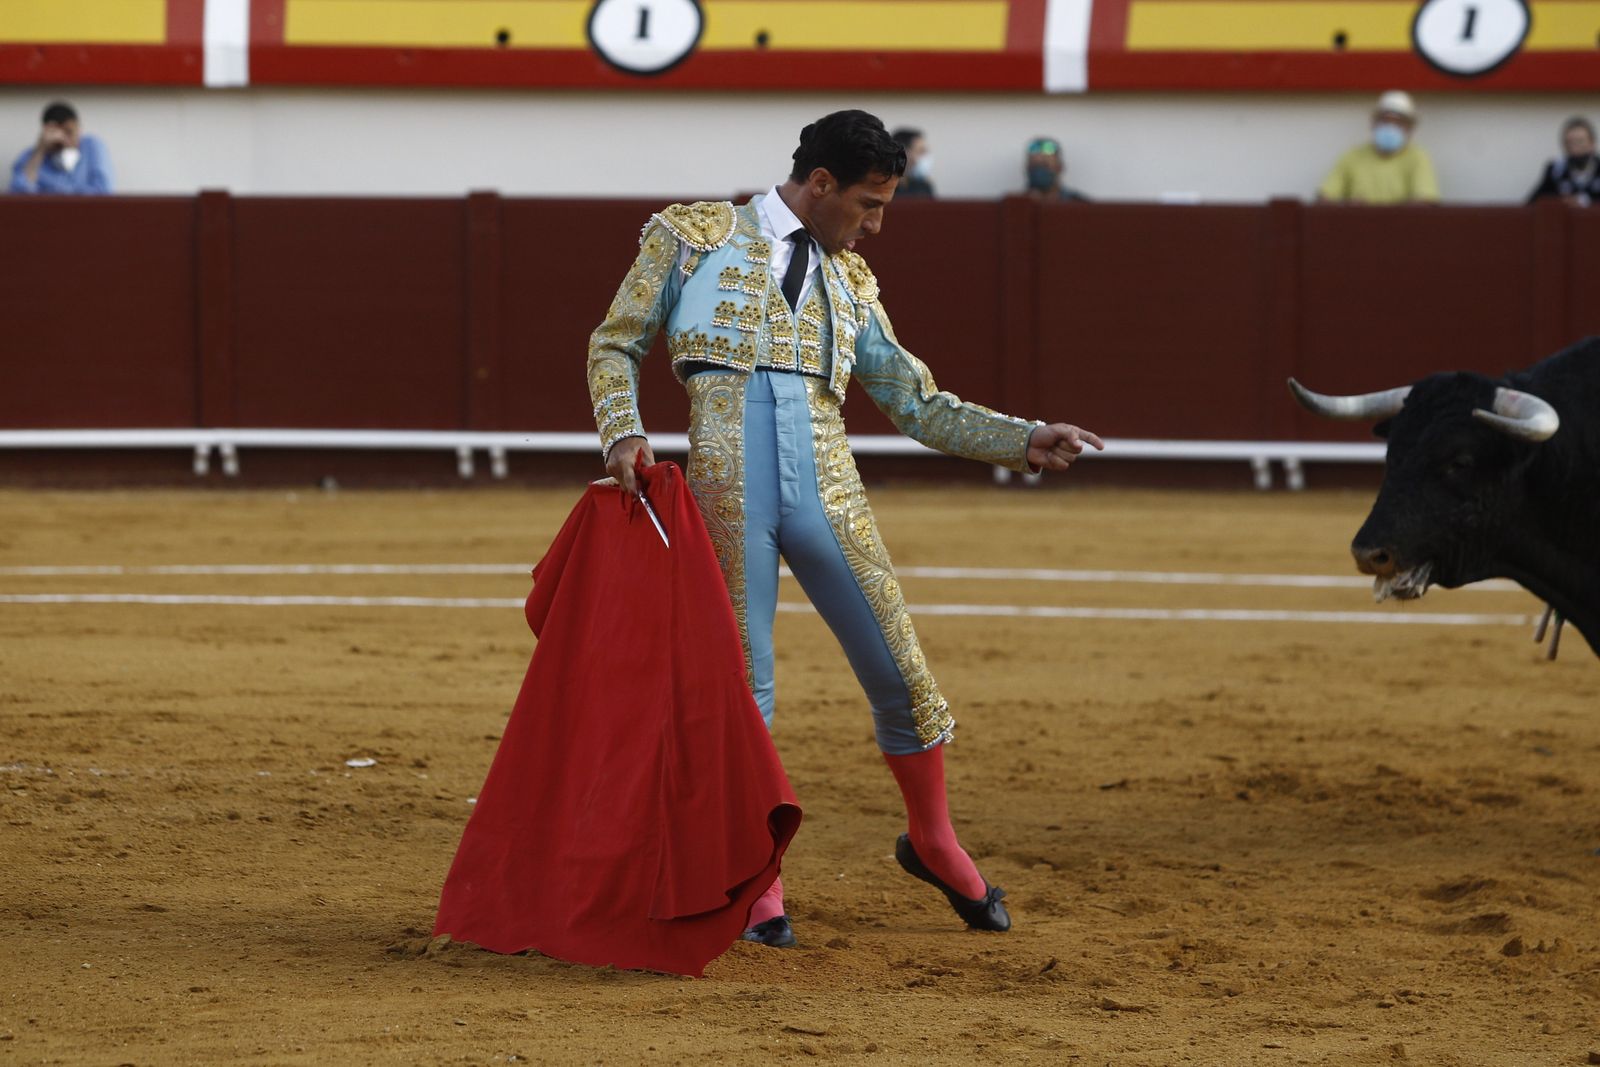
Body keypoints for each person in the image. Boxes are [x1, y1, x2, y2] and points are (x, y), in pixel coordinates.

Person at [587, 109, 1103, 948]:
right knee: (743, 690)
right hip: (725, 495)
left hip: (830, 491)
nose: (876, 225)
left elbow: (917, 402)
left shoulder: (854, 284)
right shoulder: (693, 237)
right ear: (819, 185)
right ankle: (758, 873)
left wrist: (1023, 438)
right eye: (867, 205)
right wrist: (624, 429)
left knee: (903, 672)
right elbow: (614, 346)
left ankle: (933, 839)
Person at [1317, 90, 1439, 204]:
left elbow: (1425, 202)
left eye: (1398, 123)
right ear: (1373, 124)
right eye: (1385, 121)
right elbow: (1325, 198)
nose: (1390, 127)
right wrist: (1349, 207)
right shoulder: (1354, 156)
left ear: (1409, 129)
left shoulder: (1417, 157)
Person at [9, 101, 112, 196]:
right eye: (57, 133)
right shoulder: (29, 157)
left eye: (69, 132)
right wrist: (40, 151)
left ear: (79, 129)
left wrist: (51, 192)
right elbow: (18, 195)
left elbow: (103, 192)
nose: (64, 140)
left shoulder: (92, 147)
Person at [1527, 116, 1600, 207]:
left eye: (1580, 141)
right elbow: (1534, 202)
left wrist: (1585, 201)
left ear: (1592, 144)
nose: (1575, 148)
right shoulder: (1555, 171)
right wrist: (1561, 201)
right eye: (1569, 142)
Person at [1023, 137, 1090, 201]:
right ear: (1027, 168)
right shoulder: (1015, 204)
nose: (1040, 171)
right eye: (1035, 165)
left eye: (1045, 165)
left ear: (1060, 167)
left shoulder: (1080, 205)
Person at [891, 127, 936, 198]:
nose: (925, 157)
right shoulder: (884, 188)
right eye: (921, 151)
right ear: (903, 153)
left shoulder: (924, 186)